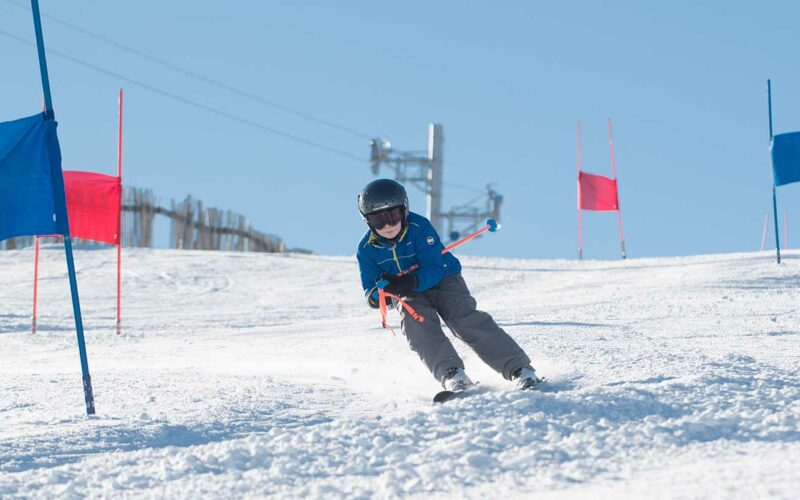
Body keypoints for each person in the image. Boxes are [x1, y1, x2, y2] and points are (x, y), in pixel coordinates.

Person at [356, 178, 543, 392]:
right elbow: (370, 287)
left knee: (463, 318)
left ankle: (519, 368)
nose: (387, 225)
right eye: (378, 220)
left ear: (404, 210)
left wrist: (410, 281)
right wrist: (379, 296)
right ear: (367, 221)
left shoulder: (419, 227)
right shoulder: (366, 249)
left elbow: (434, 267)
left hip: (443, 280)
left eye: (392, 216)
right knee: (415, 322)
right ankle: (451, 373)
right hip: (408, 295)